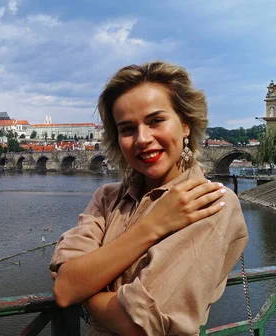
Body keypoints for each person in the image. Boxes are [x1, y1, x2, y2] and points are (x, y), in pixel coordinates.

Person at [49, 61, 248, 335]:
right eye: (127, 128)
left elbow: (140, 325)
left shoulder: (211, 202)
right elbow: (65, 287)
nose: (142, 139)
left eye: (156, 121)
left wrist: (85, 291)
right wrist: (152, 226)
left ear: (186, 125)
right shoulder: (107, 198)